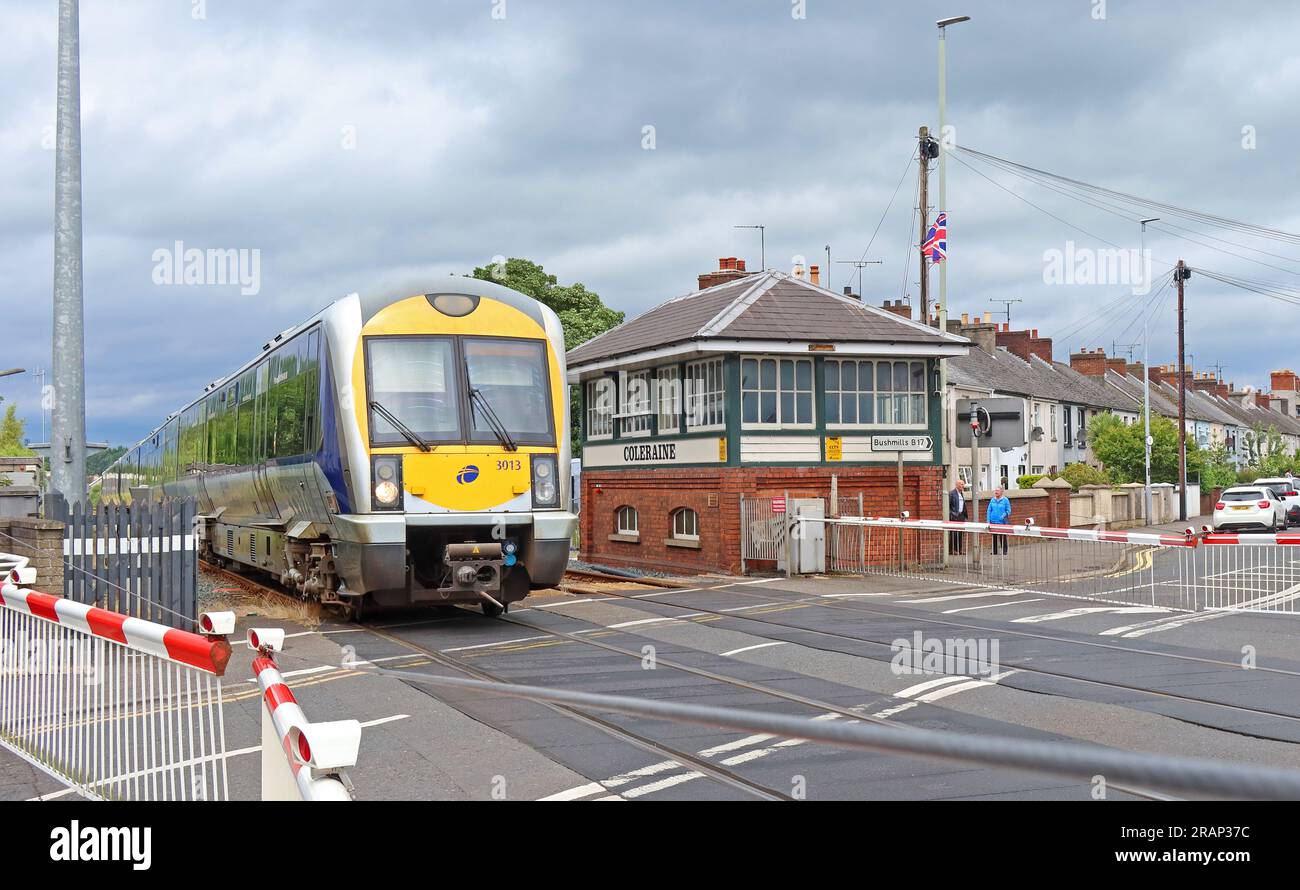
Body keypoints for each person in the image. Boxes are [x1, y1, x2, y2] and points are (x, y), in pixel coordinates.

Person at [987, 486, 1011, 555]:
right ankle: (994, 551)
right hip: (993, 521)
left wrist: (1004, 515)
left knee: (1002, 536)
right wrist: (988, 520)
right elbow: (989, 510)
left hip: (1002, 522)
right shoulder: (992, 500)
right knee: (994, 536)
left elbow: (1009, 510)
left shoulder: (1005, 500)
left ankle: (1004, 551)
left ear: (1001, 492)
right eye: (995, 490)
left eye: (997, 491)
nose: (996, 492)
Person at [948, 479, 968, 554]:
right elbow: (948, 505)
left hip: (961, 515)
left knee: (961, 533)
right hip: (954, 516)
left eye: (963, 484)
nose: (963, 486)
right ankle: (952, 550)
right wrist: (951, 514)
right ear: (957, 485)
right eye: (961, 484)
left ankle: (959, 549)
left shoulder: (961, 493)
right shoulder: (952, 493)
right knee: (954, 533)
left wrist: (964, 515)